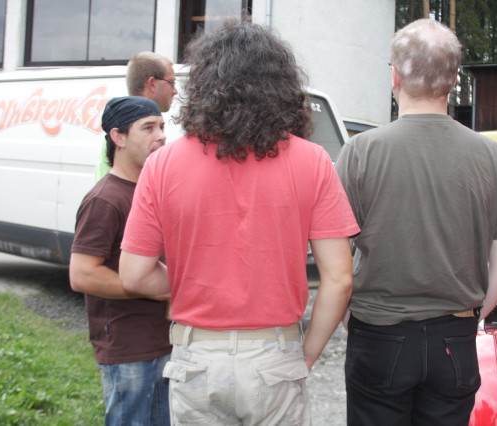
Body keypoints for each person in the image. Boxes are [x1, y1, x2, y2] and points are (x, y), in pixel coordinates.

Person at [118, 22, 359, 425]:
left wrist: (196, 280)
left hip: (195, 359)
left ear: (203, 86)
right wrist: (306, 355)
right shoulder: (313, 161)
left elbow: (133, 275)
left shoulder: (162, 164)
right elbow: (339, 279)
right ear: (282, 85)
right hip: (274, 356)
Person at [335, 19, 497, 426]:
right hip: (454, 338)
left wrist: (350, 316)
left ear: (395, 77)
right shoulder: (491, 155)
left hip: (378, 334)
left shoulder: (360, 152)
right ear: (452, 81)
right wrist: (472, 316)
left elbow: (335, 262)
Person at [70, 96, 170, 425]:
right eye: (148, 128)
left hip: (166, 343)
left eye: (162, 127)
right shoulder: (105, 199)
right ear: (118, 137)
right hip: (129, 350)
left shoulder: (153, 190)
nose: (161, 136)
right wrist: (155, 289)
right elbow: (82, 274)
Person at [94, 52, 178, 180]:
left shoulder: (121, 126)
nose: (175, 91)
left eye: (161, 127)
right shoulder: (117, 136)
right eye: (171, 82)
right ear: (152, 84)